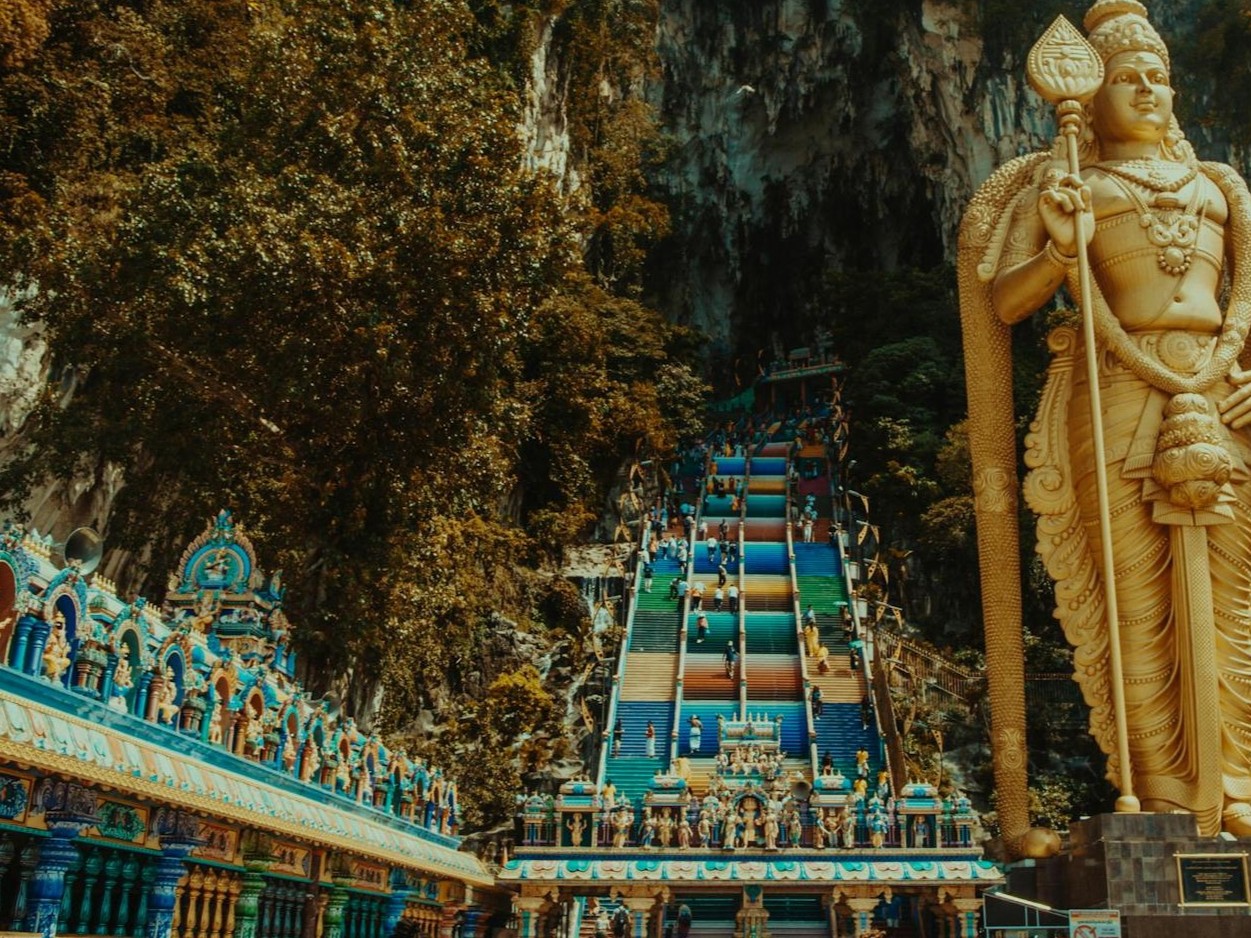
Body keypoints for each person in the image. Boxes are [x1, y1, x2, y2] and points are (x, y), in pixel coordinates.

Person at [965, 0, 1251, 836]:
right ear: (1092, 97)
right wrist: (1061, 246)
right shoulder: (1069, 184)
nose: (1148, 88)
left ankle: (1236, 782)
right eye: (1127, 77)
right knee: (1135, 601)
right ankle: (1161, 790)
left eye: (1158, 75)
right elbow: (1002, 301)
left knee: (1234, 600)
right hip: (1115, 388)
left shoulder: (1220, 186)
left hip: (1220, 391)